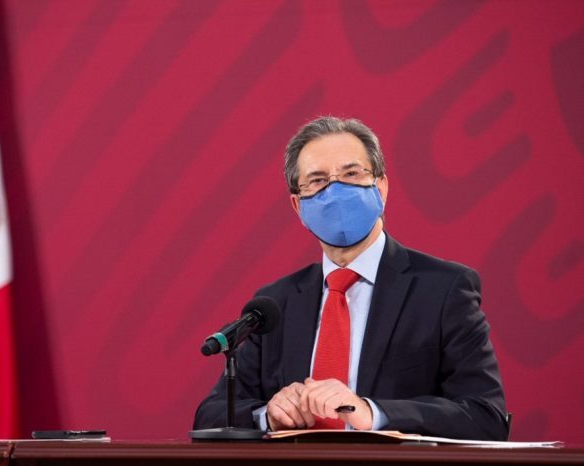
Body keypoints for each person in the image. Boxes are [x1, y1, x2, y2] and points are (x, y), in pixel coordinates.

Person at [193, 116, 509, 440]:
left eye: (351, 174)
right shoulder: (276, 304)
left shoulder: (443, 290)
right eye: (317, 180)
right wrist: (268, 416)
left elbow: (486, 416)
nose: (336, 191)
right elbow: (211, 414)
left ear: (381, 188)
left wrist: (373, 413)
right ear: (298, 206)